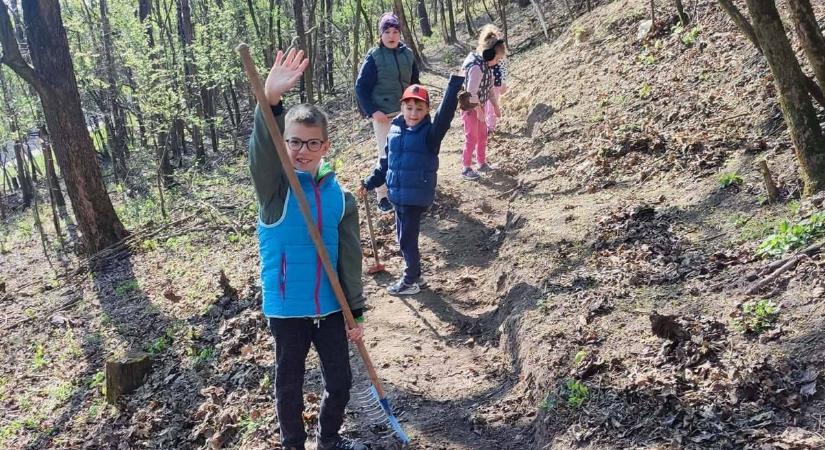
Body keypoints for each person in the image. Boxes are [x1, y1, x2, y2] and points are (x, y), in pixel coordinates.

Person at [248, 48, 368, 450]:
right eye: (294, 141)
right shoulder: (275, 190)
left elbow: (349, 258)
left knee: (341, 381)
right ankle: (293, 445)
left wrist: (355, 311)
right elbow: (261, 154)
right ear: (284, 142)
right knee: (290, 385)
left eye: (311, 143)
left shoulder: (339, 197)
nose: (301, 150)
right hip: (288, 308)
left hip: (331, 307)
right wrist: (270, 101)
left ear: (325, 146)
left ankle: (328, 439)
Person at [359, 74, 464, 295]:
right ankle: (416, 274)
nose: (413, 113)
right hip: (397, 195)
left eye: (419, 109)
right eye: (409, 108)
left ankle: (410, 280)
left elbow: (444, 115)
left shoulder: (430, 134)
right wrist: (370, 182)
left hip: (415, 196)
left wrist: (455, 84)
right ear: (402, 108)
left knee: (406, 240)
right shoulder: (395, 130)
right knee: (403, 238)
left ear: (427, 111)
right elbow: (385, 163)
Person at [355, 12, 421, 213]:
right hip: (383, 115)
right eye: (387, 32)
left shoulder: (408, 54)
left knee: (410, 151)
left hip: (407, 113)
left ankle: (407, 188)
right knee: (386, 155)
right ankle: (382, 195)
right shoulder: (374, 56)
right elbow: (361, 87)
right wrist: (373, 111)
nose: (391, 36)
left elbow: (415, 83)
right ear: (380, 34)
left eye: (395, 31)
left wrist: (418, 106)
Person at [460, 24, 506, 180]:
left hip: (481, 105)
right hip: (470, 107)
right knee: (471, 137)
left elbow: (490, 88)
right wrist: (479, 111)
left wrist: (496, 106)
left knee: (482, 135)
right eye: (497, 59)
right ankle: (466, 167)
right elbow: (471, 93)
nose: (498, 62)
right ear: (489, 54)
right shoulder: (477, 68)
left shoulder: (487, 66)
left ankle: (481, 162)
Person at [485, 57, 508, 135]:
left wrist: (503, 83)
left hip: (495, 85)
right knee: (484, 106)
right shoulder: (485, 55)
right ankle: (483, 126)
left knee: (492, 106)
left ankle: (490, 127)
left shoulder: (500, 56)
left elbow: (503, 69)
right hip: (484, 85)